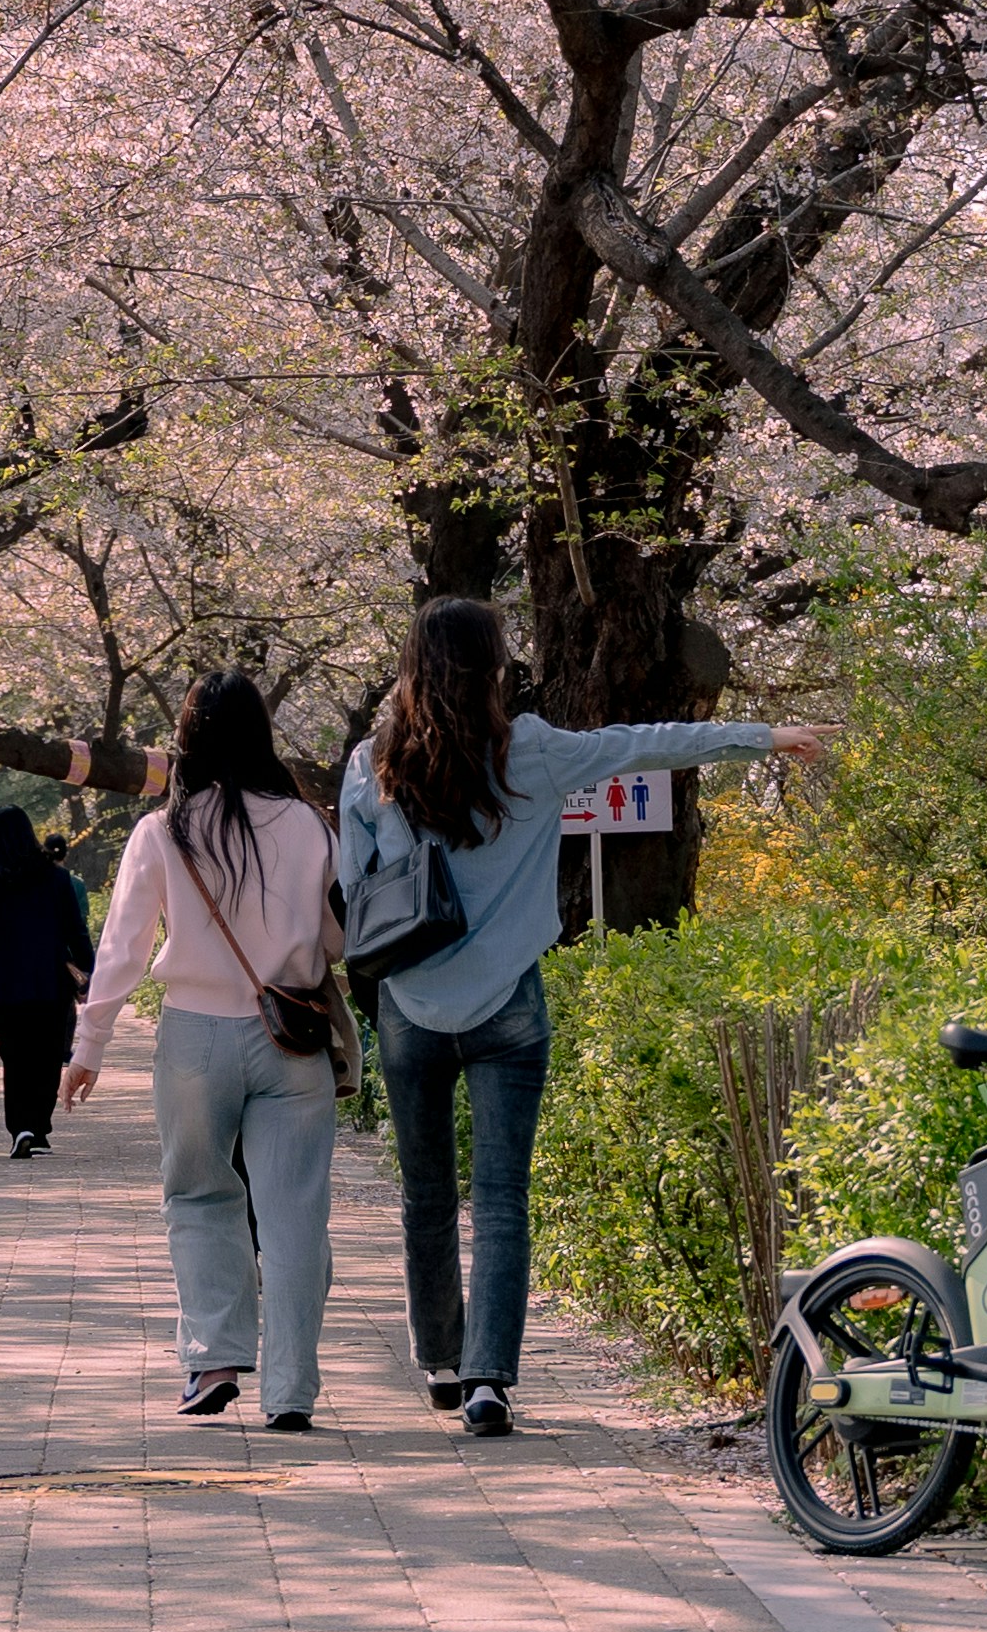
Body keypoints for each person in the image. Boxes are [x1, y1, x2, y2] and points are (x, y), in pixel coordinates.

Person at [340, 596, 823, 1440]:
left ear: (412, 665)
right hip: (509, 1008)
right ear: (494, 668)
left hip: (410, 1005)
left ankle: (442, 1363)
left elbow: (357, 885)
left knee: (425, 1196)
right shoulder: (530, 749)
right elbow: (648, 740)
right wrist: (764, 736)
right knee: (499, 1196)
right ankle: (491, 1382)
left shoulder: (370, 765)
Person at [60, 677, 345, 1429]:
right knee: (293, 1217)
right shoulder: (311, 827)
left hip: (192, 1037)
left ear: (187, 739)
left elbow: (122, 947)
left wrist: (89, 1045)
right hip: (290, 1035)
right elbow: (341, 938)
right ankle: (290, 1391)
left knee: (198, 1197)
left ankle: (214, 1360)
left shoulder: (164, 830)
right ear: (262, 735)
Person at [0, 806, 93, 1158]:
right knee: (49, 1054)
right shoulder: (56, 877)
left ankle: (19, 1126)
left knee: (14, 1054)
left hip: (6, 981)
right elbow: (75, 929)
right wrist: (88, 970)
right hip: (51, 979)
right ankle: (39, 1128)